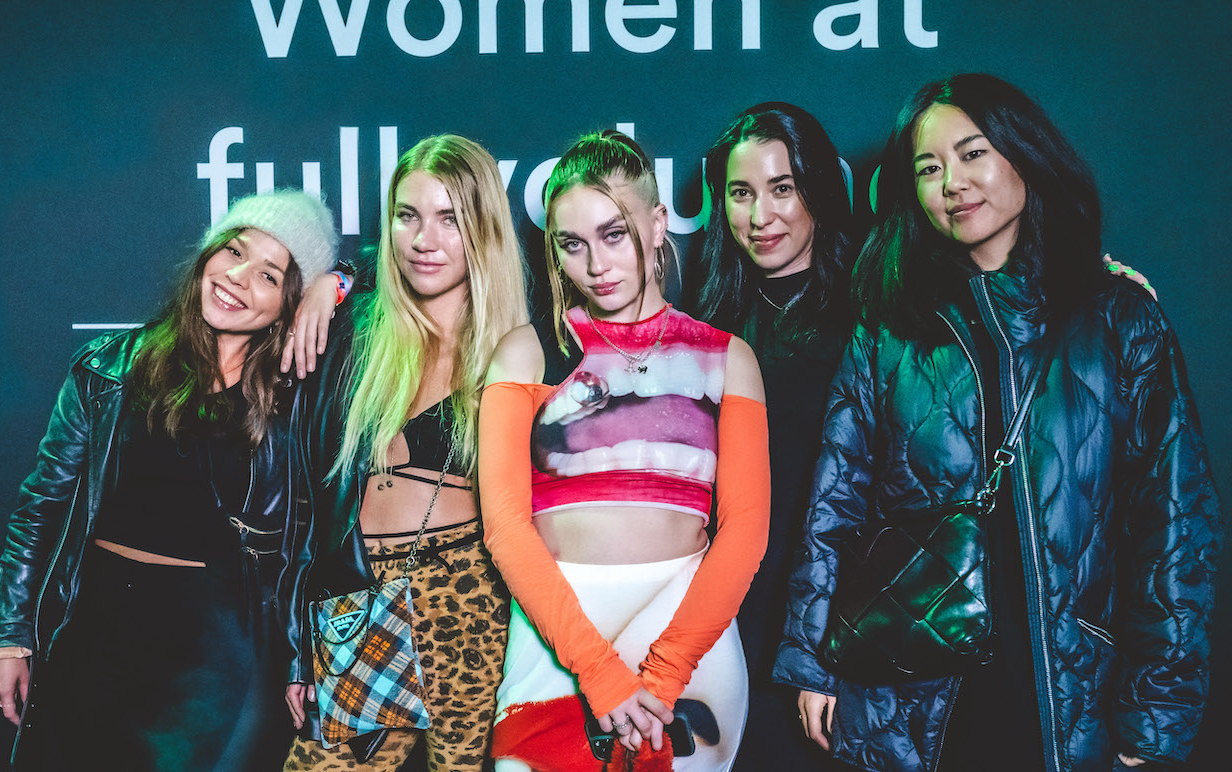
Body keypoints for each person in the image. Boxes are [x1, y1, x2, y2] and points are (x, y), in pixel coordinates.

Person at [773, 73, 1221, 772]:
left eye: (973, 153)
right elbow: (836, 496)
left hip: (1068, 688)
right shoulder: (888, 329)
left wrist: (1157, 720)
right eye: (929, 167)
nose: (953, 181)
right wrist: (810, 660)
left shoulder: (1118, 318)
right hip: (917, 684)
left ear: (1024, 155)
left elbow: (1174, 528)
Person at [0, 190, 339, 771]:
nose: (238, 278)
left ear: (290, 304)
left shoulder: (297, 398)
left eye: (269, 274)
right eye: (232, 250)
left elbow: (404, 272)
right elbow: (40, 505)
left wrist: (335, 280)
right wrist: (5, 633)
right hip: (94, 637)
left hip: (215, 658)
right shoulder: (107, 369)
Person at [481, 130, 769, 771]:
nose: (596, 263)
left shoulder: (727, 358)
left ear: (659, 222)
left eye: (615, 234)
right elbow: (504, 526)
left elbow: (746, 530)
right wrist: (598, 671)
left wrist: (662, 674)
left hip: (688, 630)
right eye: (572, 244)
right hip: (556, 631)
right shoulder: (525, 353)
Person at [280, 134, 528, 772]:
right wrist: (334, 278)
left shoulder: (516, 347)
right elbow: (307, 508)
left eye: (450, 219)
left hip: (469, 594)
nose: (425, 239)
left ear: (482, 228)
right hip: (362, 587)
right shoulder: (359, 332)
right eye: (408, 215)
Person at [690, 102, 861, 768]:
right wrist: (339, 277)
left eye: (782, 188)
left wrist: (1097, 279)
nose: (760, 217)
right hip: (728, 624)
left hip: (832, 622)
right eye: (740, 193)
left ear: (818, 189)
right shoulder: (704, 321)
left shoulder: (873, 313)